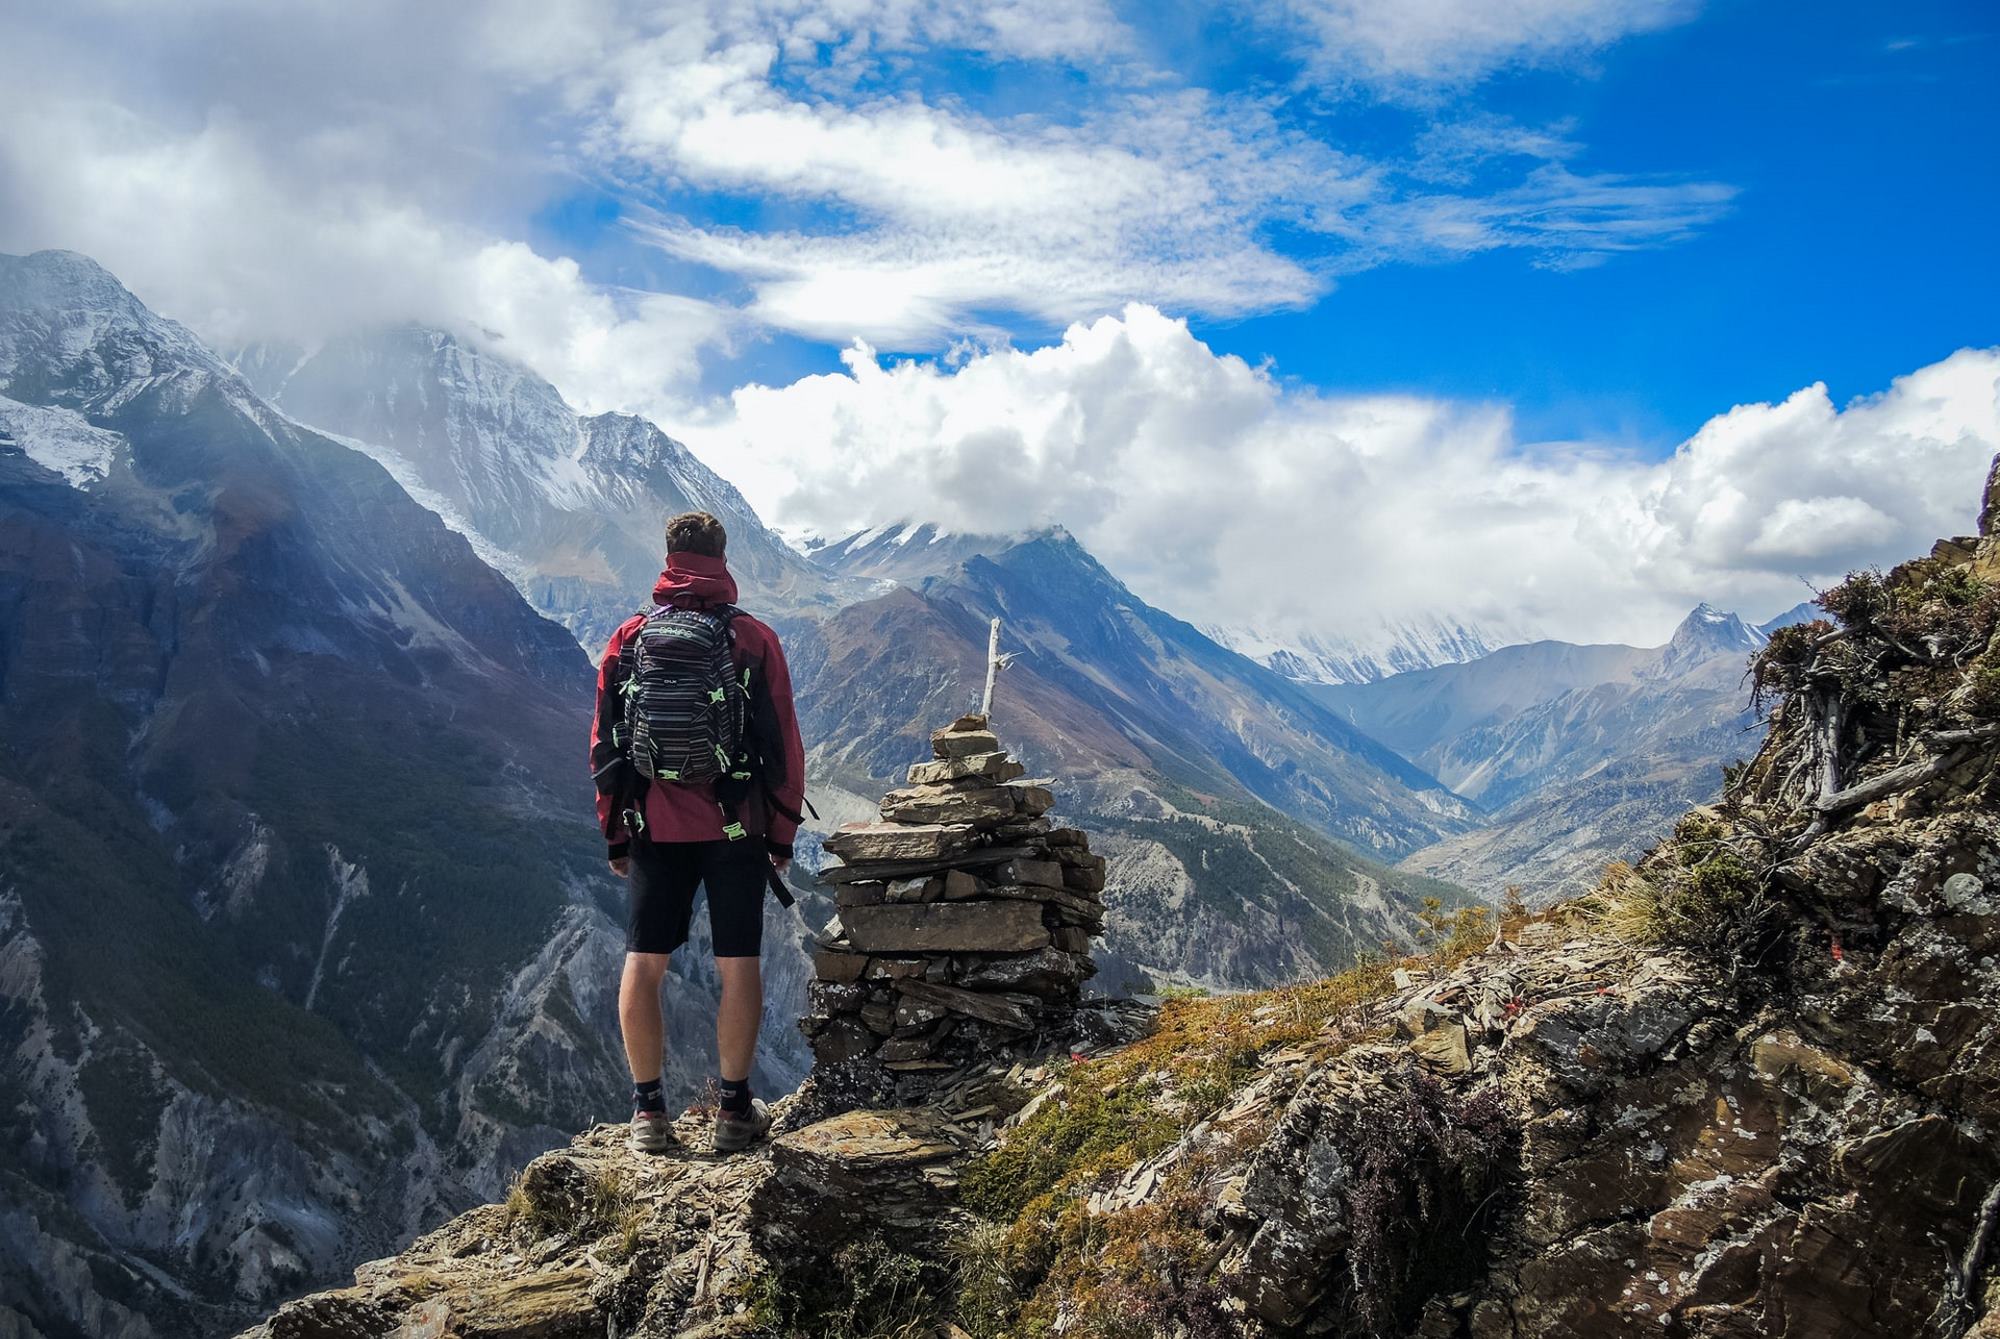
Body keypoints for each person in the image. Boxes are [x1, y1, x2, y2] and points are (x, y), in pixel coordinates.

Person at [589, 511, 806, 1154]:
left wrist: (616, 835)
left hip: (654, 823)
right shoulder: (754, 639)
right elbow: (784, 746)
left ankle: (649, 1113)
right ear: (724, 557)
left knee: (644, 963)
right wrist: (783, 834)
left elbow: (605, 745)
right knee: (739, 966)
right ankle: (735, 1110)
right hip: (737, 826)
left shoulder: (629, 638)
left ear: (667, 558)